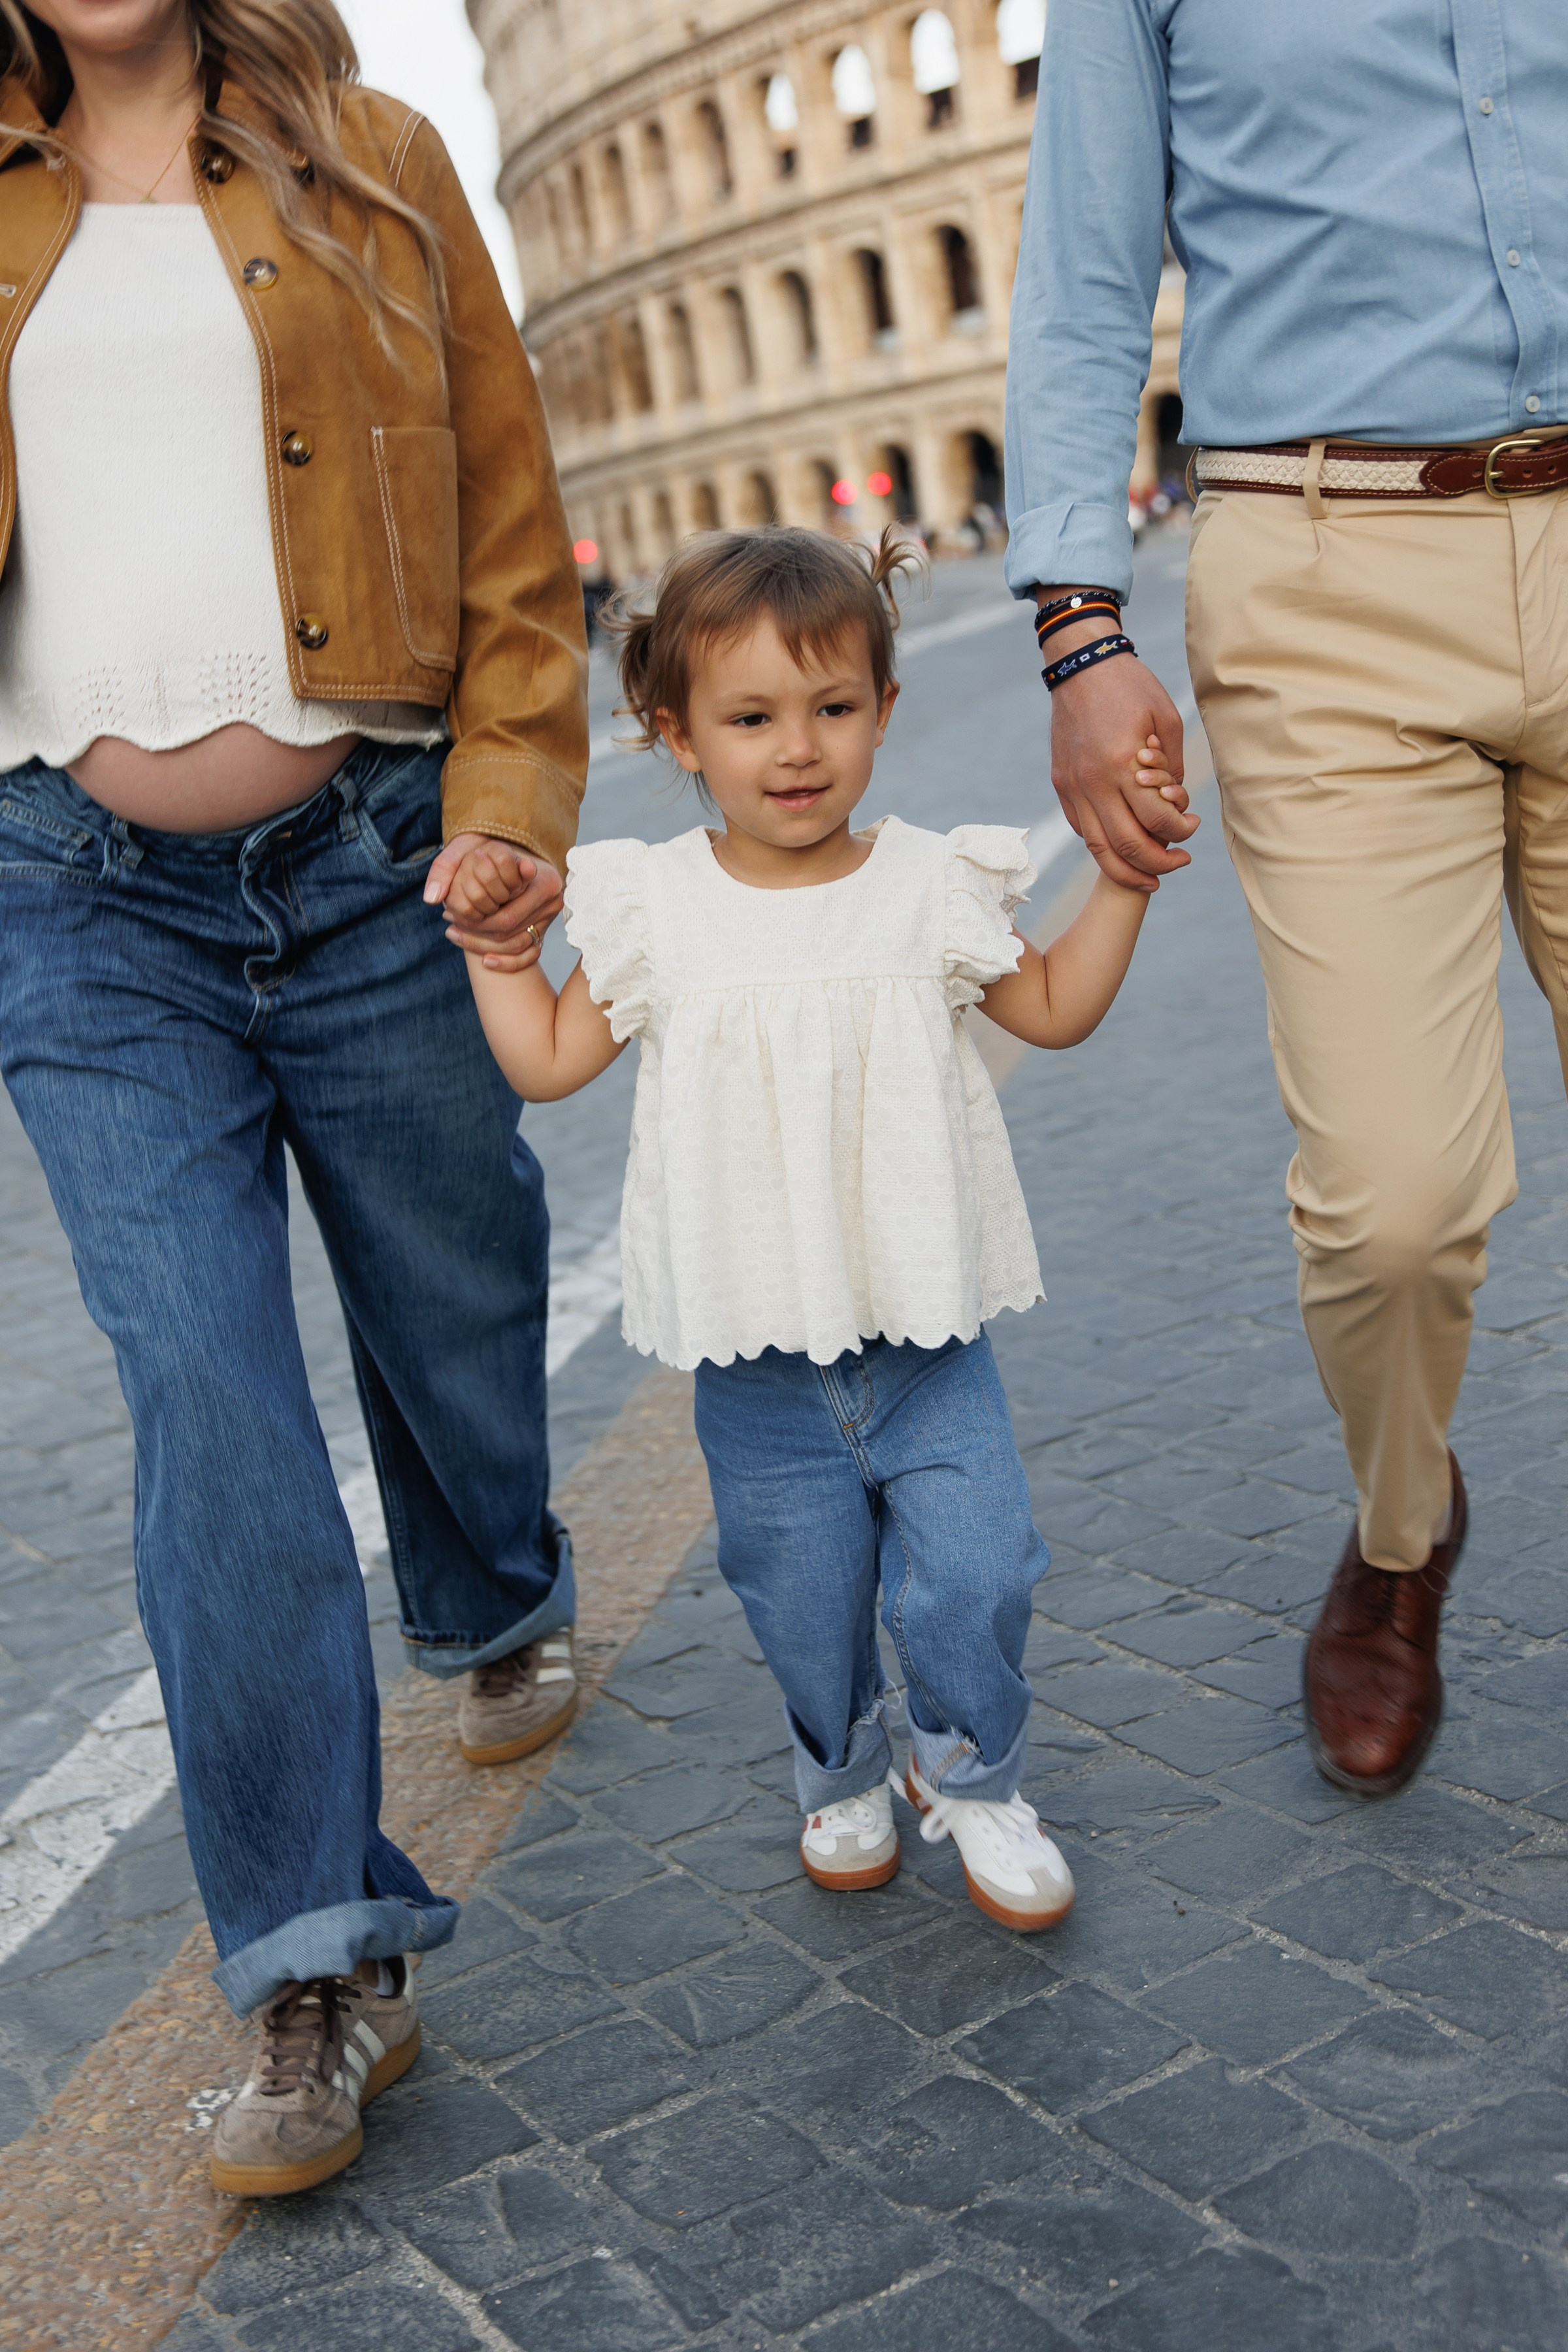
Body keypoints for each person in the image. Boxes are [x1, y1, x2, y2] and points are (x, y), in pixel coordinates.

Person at [0, 0, 586, 2197]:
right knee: (207, 1396)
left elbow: (517, 539)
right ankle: (314, 1955)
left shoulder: (381, 157)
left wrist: (512, 795)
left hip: (377, 860)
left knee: (456, 1272)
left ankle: (495, 1572)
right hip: (69, 897)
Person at [460, 525, 1190, 1931]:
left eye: (833, 709)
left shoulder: (927, 882)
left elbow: (1052, 1010)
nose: (797, 749)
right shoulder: (656, 906)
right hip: (758, 1362)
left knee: (980, 1572)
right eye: (750, 718)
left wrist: (1126, 882)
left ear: (884, 712)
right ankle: (841, 1766)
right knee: (800, 1597)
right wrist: (503, 961)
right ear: (676, 733)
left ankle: (975, 1776)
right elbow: (550, 1059)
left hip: (928, 1334)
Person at [1004, 1, 1567, 1800]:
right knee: (1393, 1206)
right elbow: (1088, 277)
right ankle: (1403, 1534)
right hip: (1325, 574)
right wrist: (1078, 624)